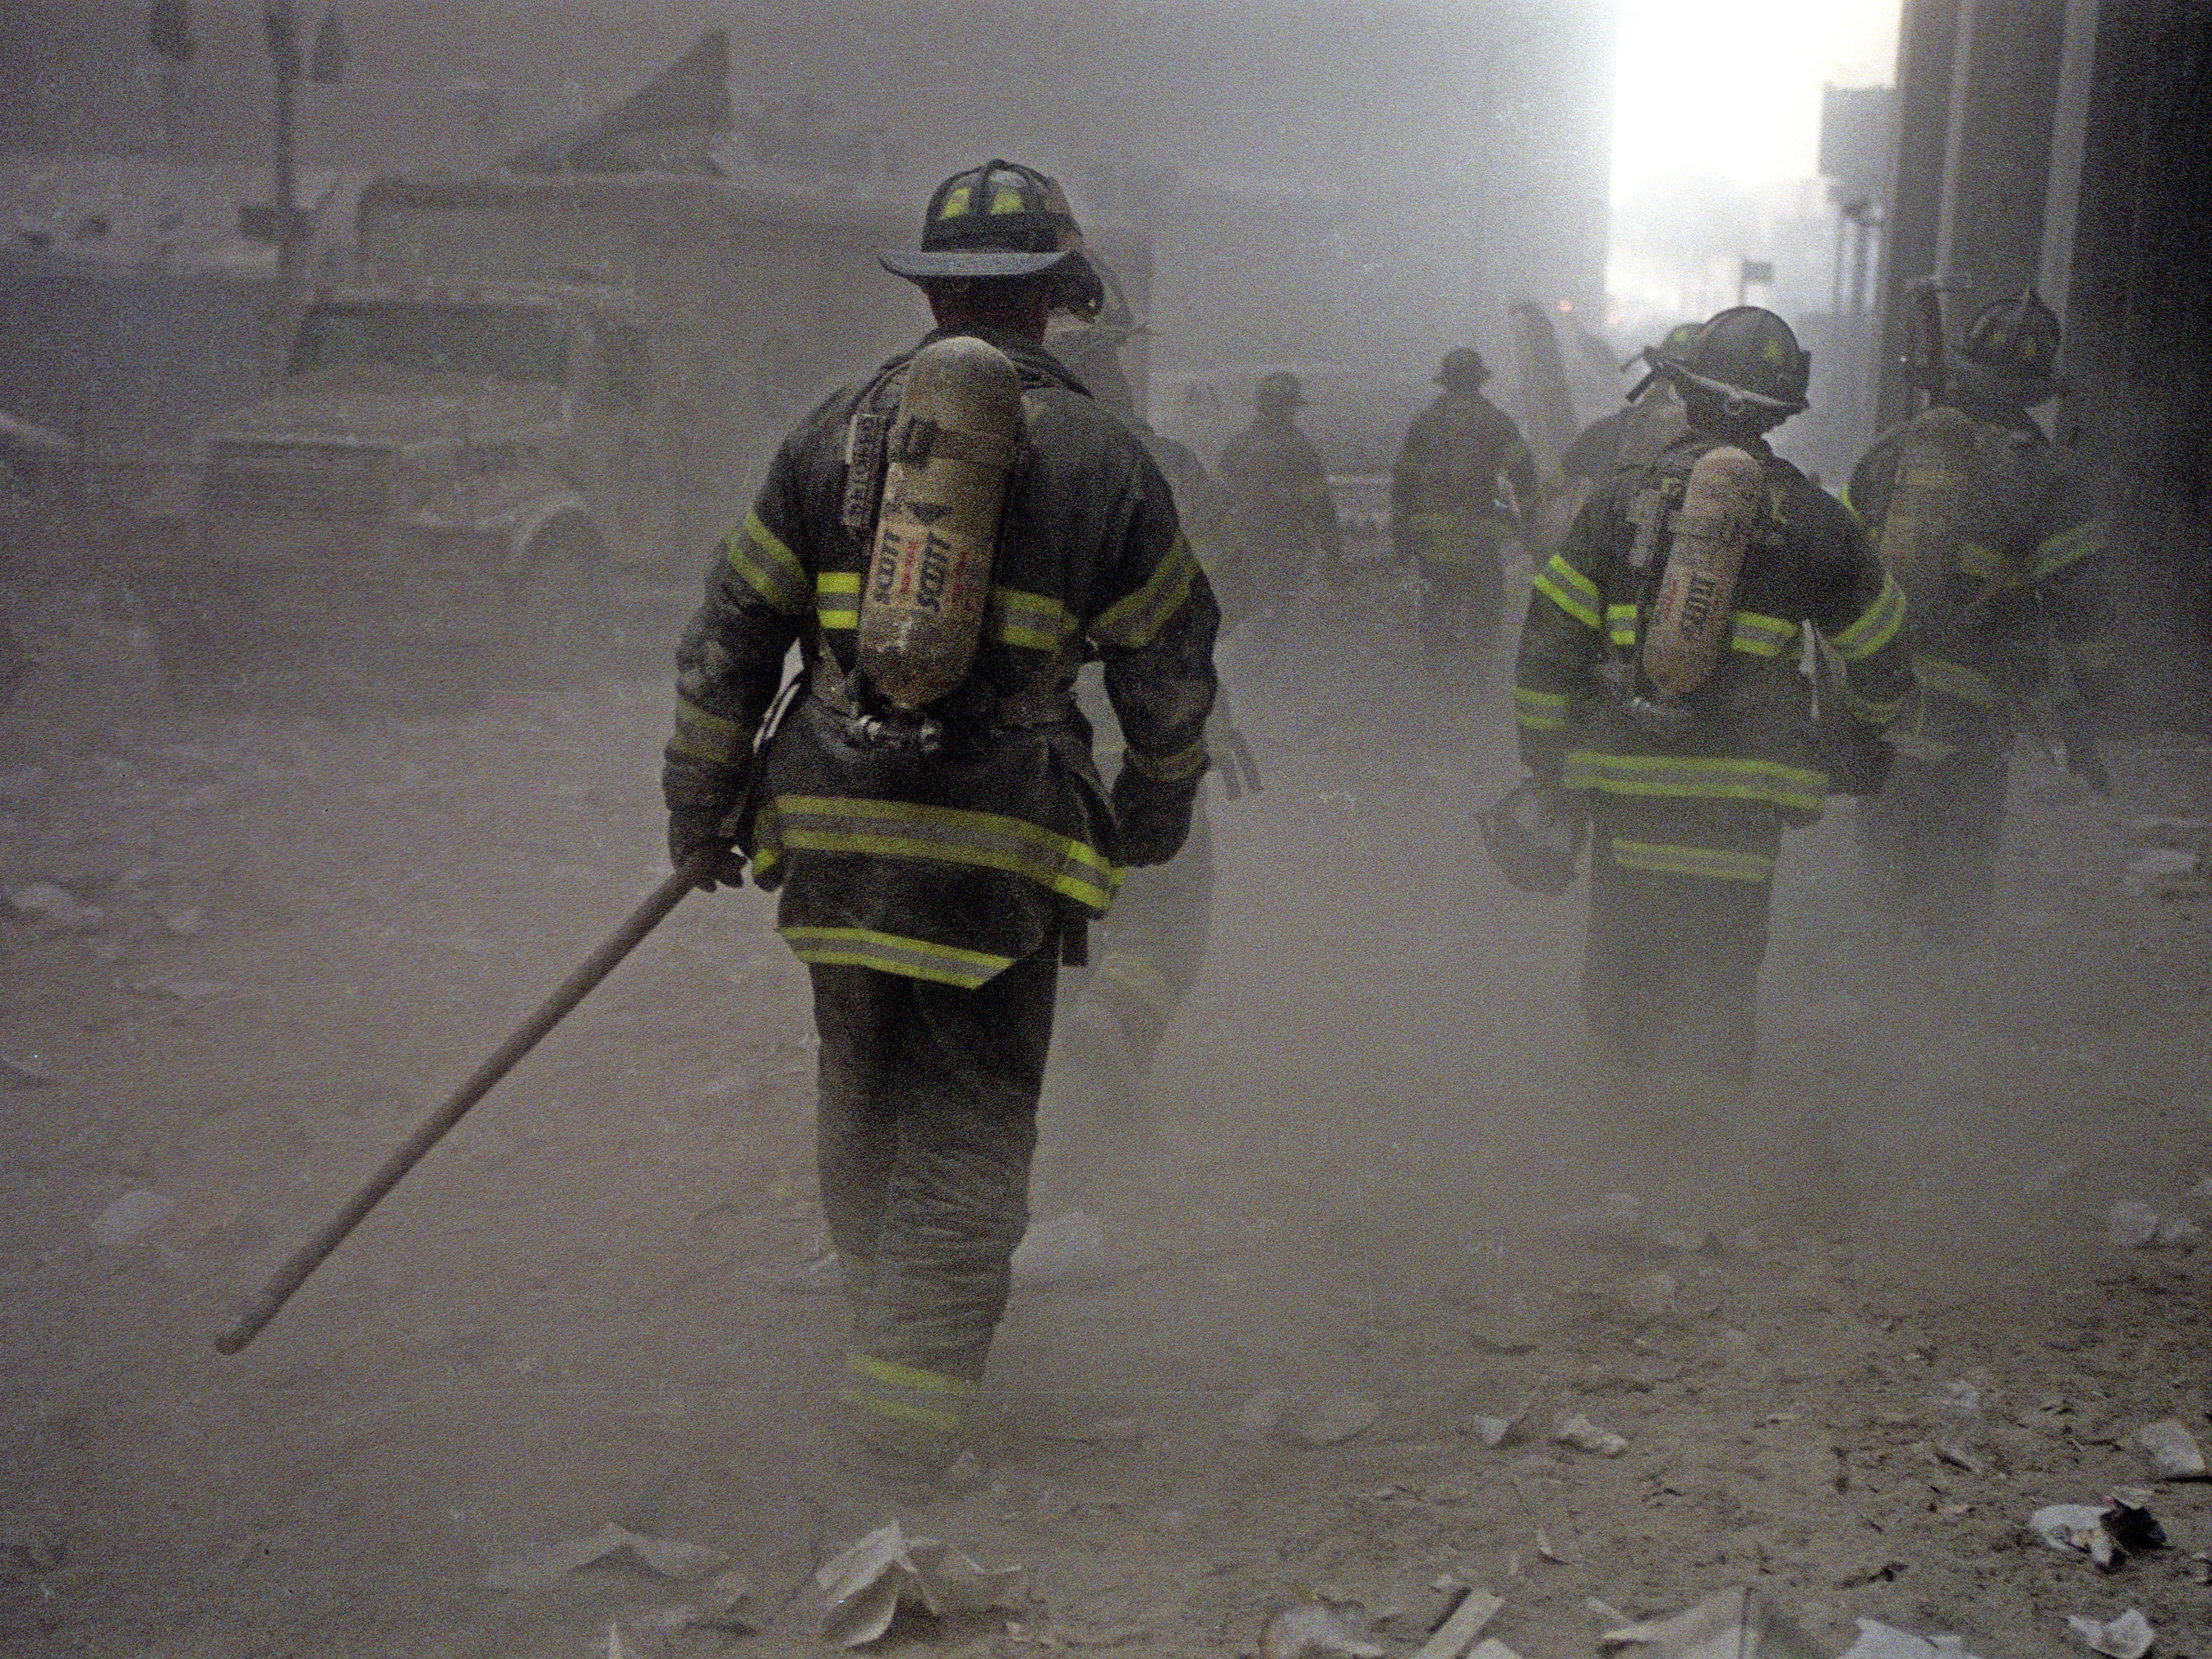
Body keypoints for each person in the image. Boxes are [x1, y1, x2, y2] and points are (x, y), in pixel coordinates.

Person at [661, 159, 1219, 1476]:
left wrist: (699, 808)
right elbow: (1171, 662)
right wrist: (1155, 805)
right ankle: (900, 1438)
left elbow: (728, 636)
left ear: (934, 291)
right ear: (1052, 298)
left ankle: (884, 1347)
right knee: (970, 1133)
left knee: (862, 1103)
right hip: (998, 854)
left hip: (838, 844)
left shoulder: (829, 432)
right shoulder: (1102, 456)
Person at [1510, 306, 1914, 1081]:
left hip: (1627, 786)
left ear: (1687, 395)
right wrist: (1864, 743)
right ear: (1777, 413)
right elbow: (1881, 654)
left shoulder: (1614, 505)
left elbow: (1548, 643)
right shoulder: (1817, 521)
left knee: (1624, 960)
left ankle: (1620, 1132)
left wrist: (1549, 758)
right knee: (1721, 978)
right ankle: (1705, 1142)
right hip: (1743, 800)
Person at [1845, 286, 2114, 945]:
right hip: (1975, 705)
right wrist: (2095, 701)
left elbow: (1847, 569)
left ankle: (1879, 986)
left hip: (1885, 692)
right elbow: (2082, 605)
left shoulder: (1892, 450)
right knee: (1959, 861)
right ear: (2034, 390)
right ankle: (1941, 1003)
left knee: (1889, 851)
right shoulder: (2050, 477)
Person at [1391, 346, 1539, 674]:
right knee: (1486, 607)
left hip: (1432, 539)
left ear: (1445, 383)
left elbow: (1403, 484)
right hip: (1480, 538)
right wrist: (1532, 529)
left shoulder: (1423, 425)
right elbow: (1524, 479)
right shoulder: (1497, 423)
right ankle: (1477, 673)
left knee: (1437, 604)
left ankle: (1438, 673)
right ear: (1478, 382)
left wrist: (1401, 537)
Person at [1215, 370, 1340, 649]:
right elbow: (1321, 504)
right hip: (1289, 543)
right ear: (1290, 408)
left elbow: (1218, 500)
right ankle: (1275, 663)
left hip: (1246, 542)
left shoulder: (1239, 446)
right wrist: (1334, 552)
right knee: (1282, 612)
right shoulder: (1299, 448)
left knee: (1249, 610)